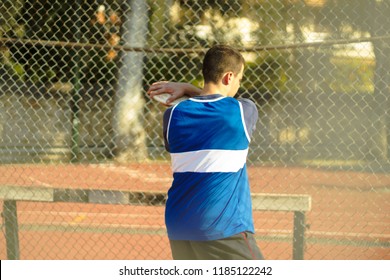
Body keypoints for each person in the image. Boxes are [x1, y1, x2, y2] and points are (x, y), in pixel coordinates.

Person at [148, 45, 264, 260]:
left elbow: (204, 105)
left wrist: (189, 90)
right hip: (223, 225)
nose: (239, 84)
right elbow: (214, 104)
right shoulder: (243, 110)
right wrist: (188, 87)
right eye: (239, 78)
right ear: (229, 77)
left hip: (180, 224)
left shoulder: (172, 115)